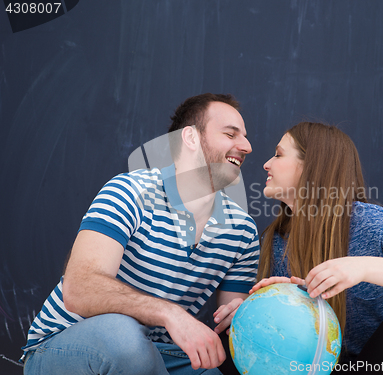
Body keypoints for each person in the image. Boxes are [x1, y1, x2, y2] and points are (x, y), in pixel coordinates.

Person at [21, 93, 260, 375]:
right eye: (231, 134)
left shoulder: (242, 231)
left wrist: (246, 314)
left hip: (162, 356)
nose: (246, 146)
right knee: (124, 338)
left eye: (244, 137)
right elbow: (80, 288)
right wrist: (171, 314)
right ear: (191, 138)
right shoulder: (130, 192)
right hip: (65, 346)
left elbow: (232, 324)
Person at [249, 121, 383, 374]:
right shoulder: (275, 241)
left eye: (278, 154)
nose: (266, 164)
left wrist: (361, 267)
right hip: (325, 366)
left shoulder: (371, 222)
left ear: (311, 166)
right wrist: (256, 305)